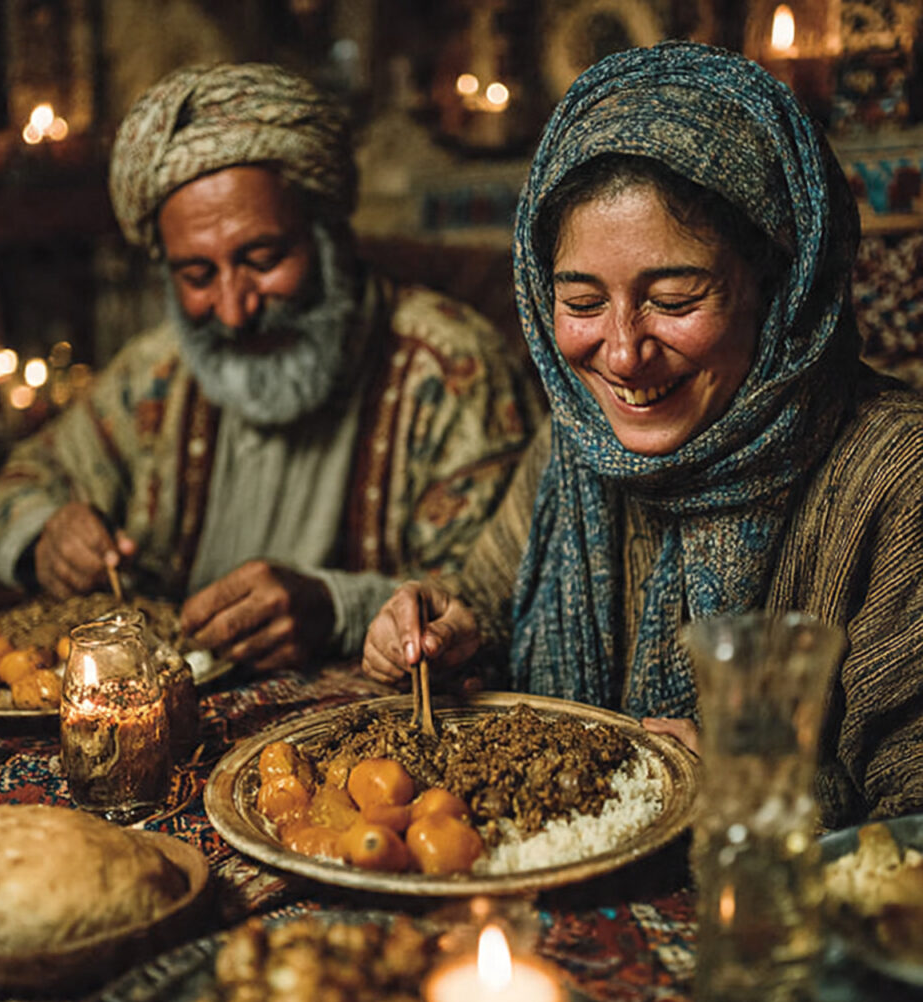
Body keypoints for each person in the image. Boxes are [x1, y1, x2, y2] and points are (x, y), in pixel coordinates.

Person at [362, 41, 923, 829]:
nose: (623, 353)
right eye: (582, 303)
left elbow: (911, 824)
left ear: (778, 284)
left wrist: (755, 788)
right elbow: (481, 606)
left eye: (676, 297)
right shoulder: (577, 445)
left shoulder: (896, 478)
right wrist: (437, 630)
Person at [0, 63, 541, 672]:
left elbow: (500, 597)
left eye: (264, 258)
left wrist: (339, 608)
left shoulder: (454, 371)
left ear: (326, 234)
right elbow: (23, 481)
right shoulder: (159, 372)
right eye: (196, 275)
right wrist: (48, 537)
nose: (233, 309)